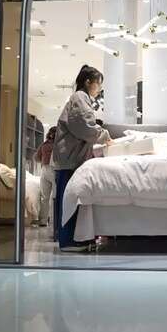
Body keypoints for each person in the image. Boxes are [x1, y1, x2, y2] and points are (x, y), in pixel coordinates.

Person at [51, 65, 112, 251]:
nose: (99, 88)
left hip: (70, 158)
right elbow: (84, 126)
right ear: (88, 82)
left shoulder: (80, 98)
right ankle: (69, 241)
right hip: (70, 159)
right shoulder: (80, 97)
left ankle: (70, 239)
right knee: (70, 199)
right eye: (98, 83)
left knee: (69, 198)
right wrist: (104, 135)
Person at [33, 126, 56, 228]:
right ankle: (53, 221)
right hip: (54, 170)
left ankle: (43, 220)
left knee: (45, 197)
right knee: (54, 197)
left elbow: (36, 157)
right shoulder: (59, 144)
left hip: (45, 169)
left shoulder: (44, 144)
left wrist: (43, 158)